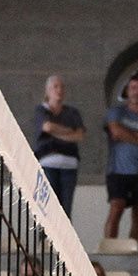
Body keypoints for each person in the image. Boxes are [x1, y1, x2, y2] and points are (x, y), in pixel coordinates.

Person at [103, 77, 138, 245]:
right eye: (133, 87)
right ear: (128, 91)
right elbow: (115, 132)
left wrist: (127, 134)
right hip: (118, 170)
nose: (136, 91)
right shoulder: (116, 112)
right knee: (116, 207)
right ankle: (110, 247)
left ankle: (133, 248)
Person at [30, 74, 86, 216]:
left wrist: (56, 133)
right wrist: (68, 131)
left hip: (69, 165)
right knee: (48, 209)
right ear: (47, 91)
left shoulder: (73, 112)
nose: (59, 90)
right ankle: (45, 239)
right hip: (48, 163)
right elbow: (47, 127)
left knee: (66, 209)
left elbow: (79, 135)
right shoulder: (41, 110)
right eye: (55, 87)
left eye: (61, 87)